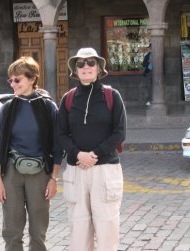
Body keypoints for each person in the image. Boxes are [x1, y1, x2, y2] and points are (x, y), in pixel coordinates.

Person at [57, 48, 126, 251]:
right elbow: (61, 134)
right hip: (76, 170)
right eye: (80, 64)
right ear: (75, 70)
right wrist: (78, 154)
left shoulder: (112, 96)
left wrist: (94, 155)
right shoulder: (68, 99)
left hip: (105, 170)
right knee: (78, 229)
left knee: (107, 227)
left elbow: (119, 132)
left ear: (98, 68)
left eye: (90, 63)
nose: (85, 67)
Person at [0, 56, 63, 251]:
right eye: (11, 80)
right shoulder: (7, 108)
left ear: (32, 79)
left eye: (18, 80)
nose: (13, 84)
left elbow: (58, 146)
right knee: (12, 228)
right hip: (11, 172)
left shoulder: (48, 107)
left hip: (41, 172)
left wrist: (54, 178)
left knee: (38, 228)